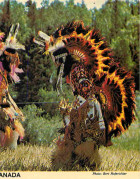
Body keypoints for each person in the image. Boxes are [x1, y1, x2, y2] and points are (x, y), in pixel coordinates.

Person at [34, 21, 136, 170]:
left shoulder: (77, 70)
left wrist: (76, 109)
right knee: (75, 139)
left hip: (89, 108)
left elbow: (87, 91)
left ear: (62, 58)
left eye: (55, 58)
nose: (54, 62)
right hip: (85, 106)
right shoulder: (73, 70)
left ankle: (84, 165)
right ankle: (78, 165)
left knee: (83, 141)